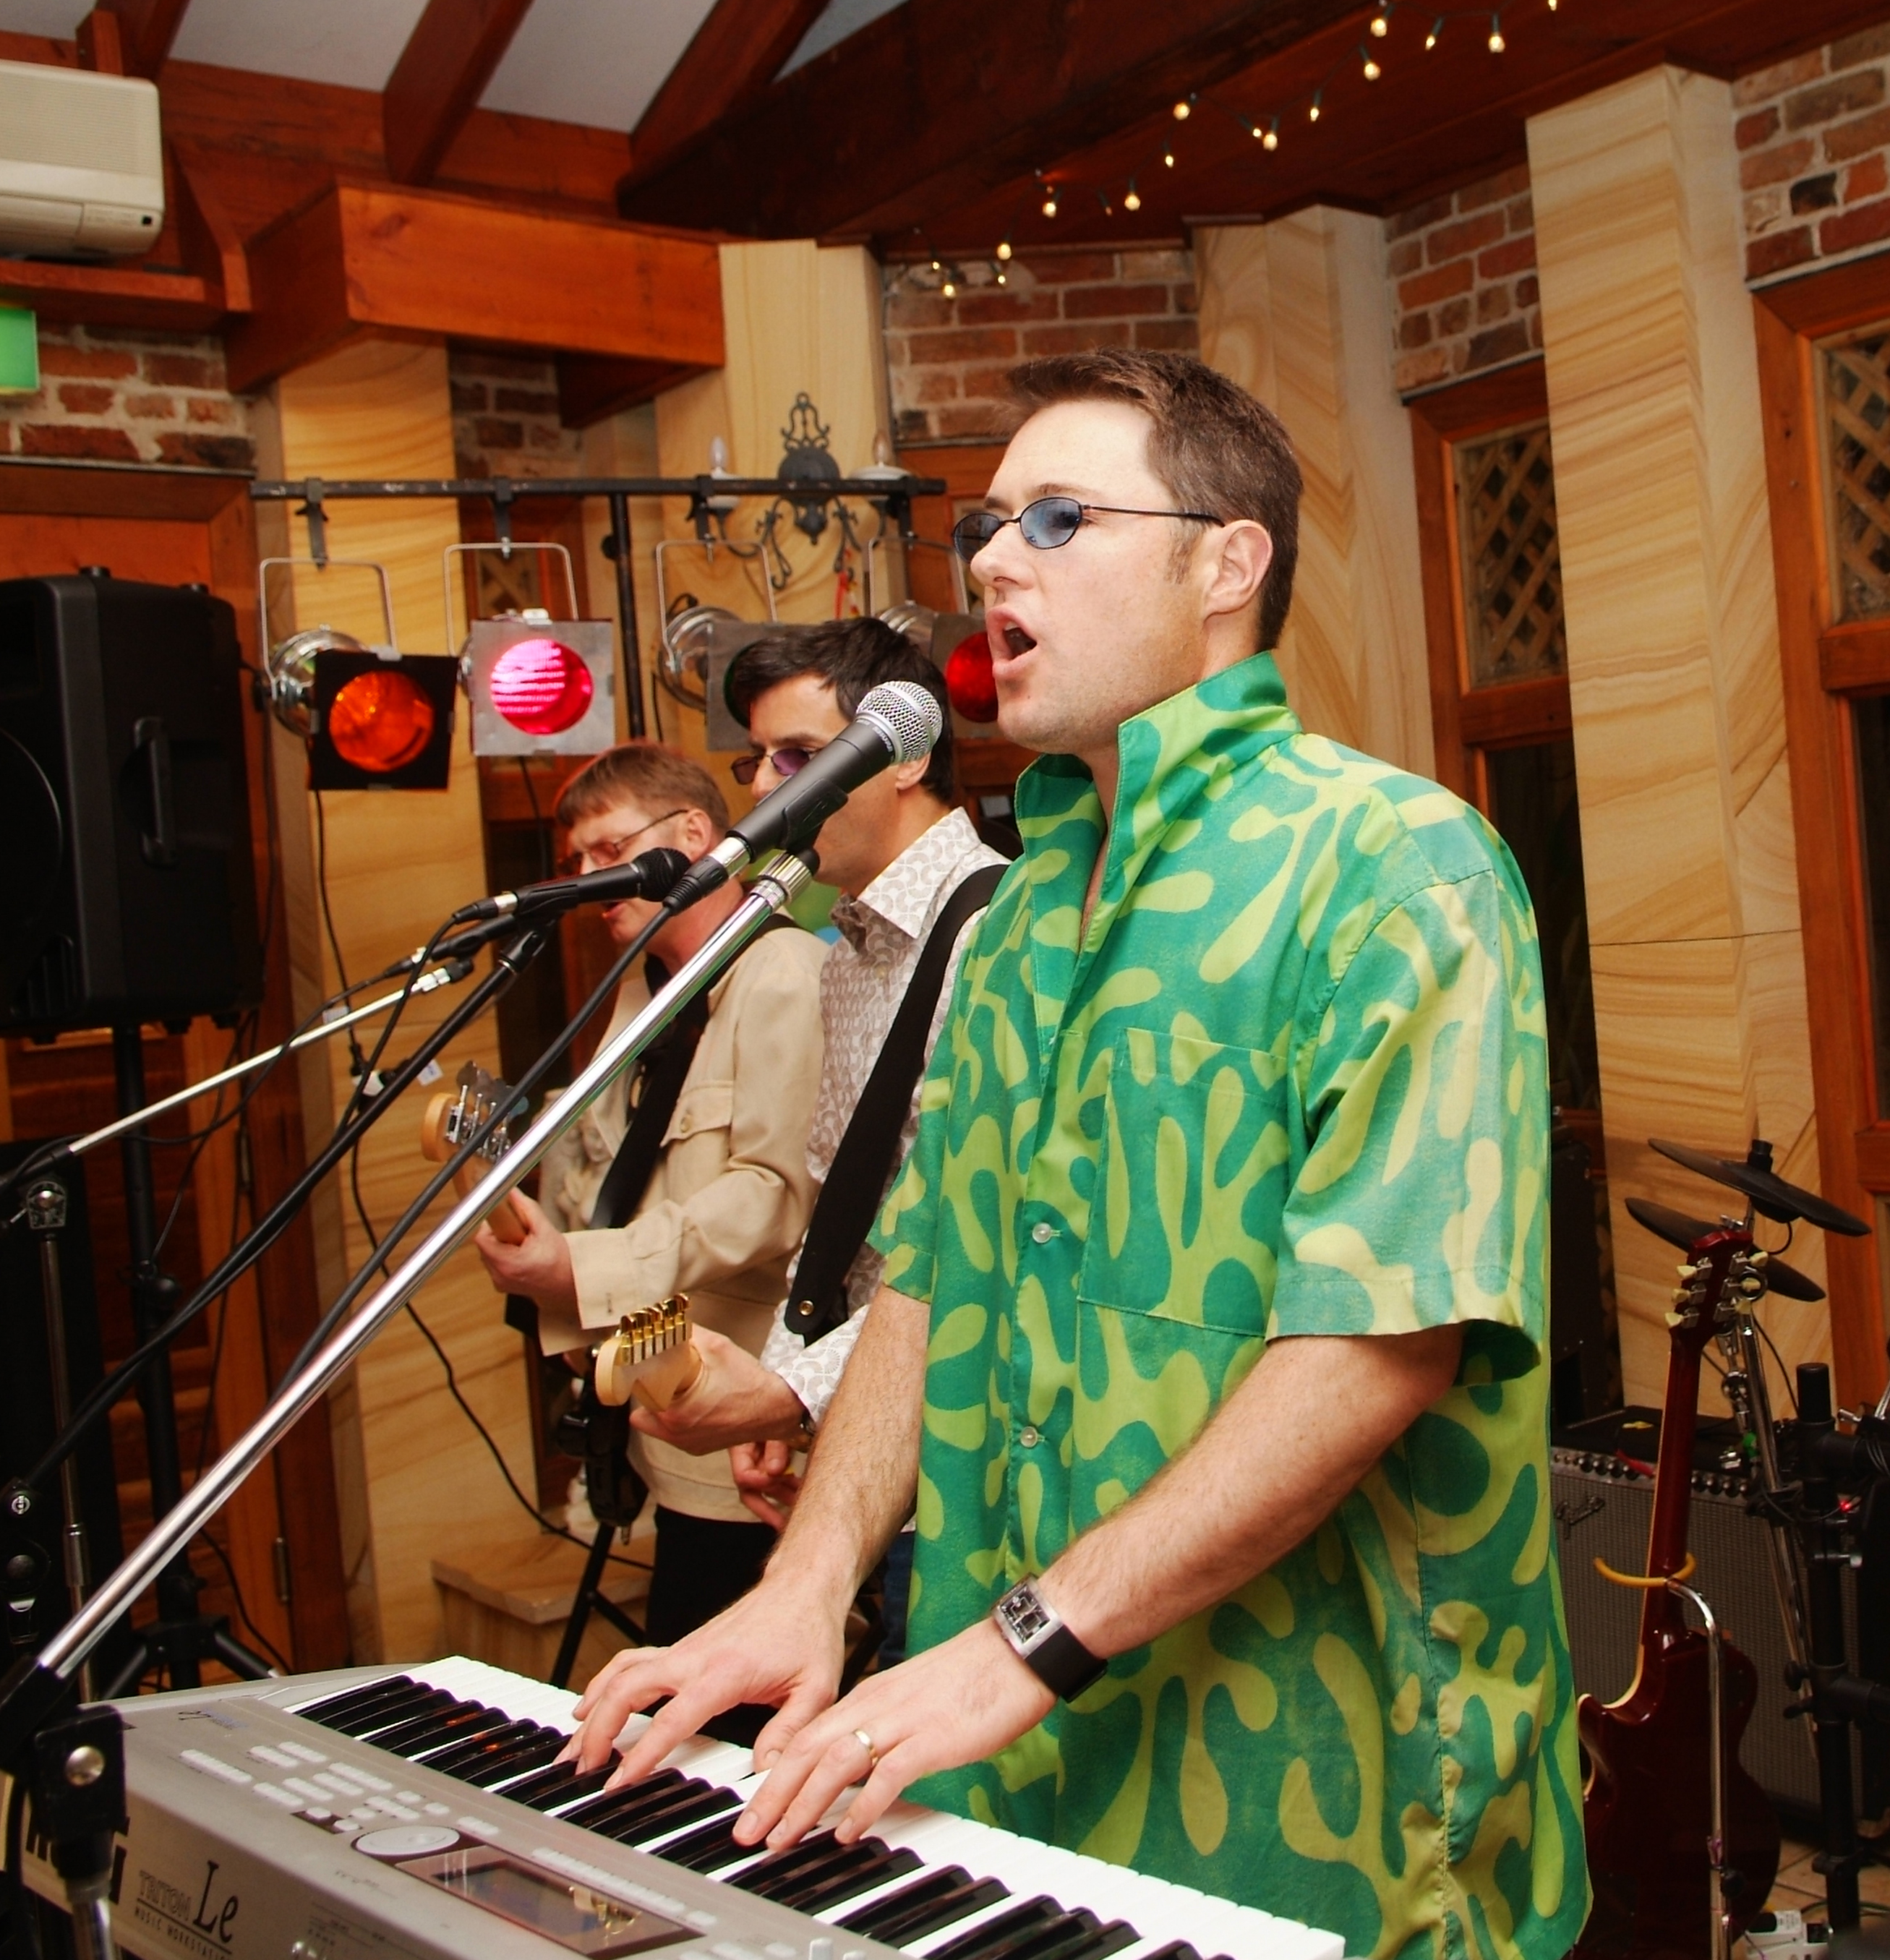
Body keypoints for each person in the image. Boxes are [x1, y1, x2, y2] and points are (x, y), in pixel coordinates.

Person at [570, 349, 1585, 1960]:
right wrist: (809, 1581)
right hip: (1016, 1765)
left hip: (1323, 1788)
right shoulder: (1024, 909)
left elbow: (1378, 1346)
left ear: (1227, 564)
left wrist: (1018, 1645)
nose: (993, 561)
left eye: (1057, 517)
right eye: (987, 524)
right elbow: (926, 1280)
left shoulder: (1395, 866)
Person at [625, 617, 1012, 1661]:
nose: (766, 789)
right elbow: (842, 1213)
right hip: (877, 1453)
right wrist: (794, 1385)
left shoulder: (995, 932)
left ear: (907, 755)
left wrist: (794, 1387)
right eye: (757, 762)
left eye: (800, 758)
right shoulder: (845, 950)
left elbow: (980, 1239)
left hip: (969, 1468)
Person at [474, 743, 824, 1643]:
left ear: (694, 834)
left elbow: (770, 1196)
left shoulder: (782, 970)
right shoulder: (646, 985)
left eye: (611, 851)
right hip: (657, 1410)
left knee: (708, 1685)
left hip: (741, 1422)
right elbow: (614, 1164)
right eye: (578, 862)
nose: (592, 880)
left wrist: (582, 1268)